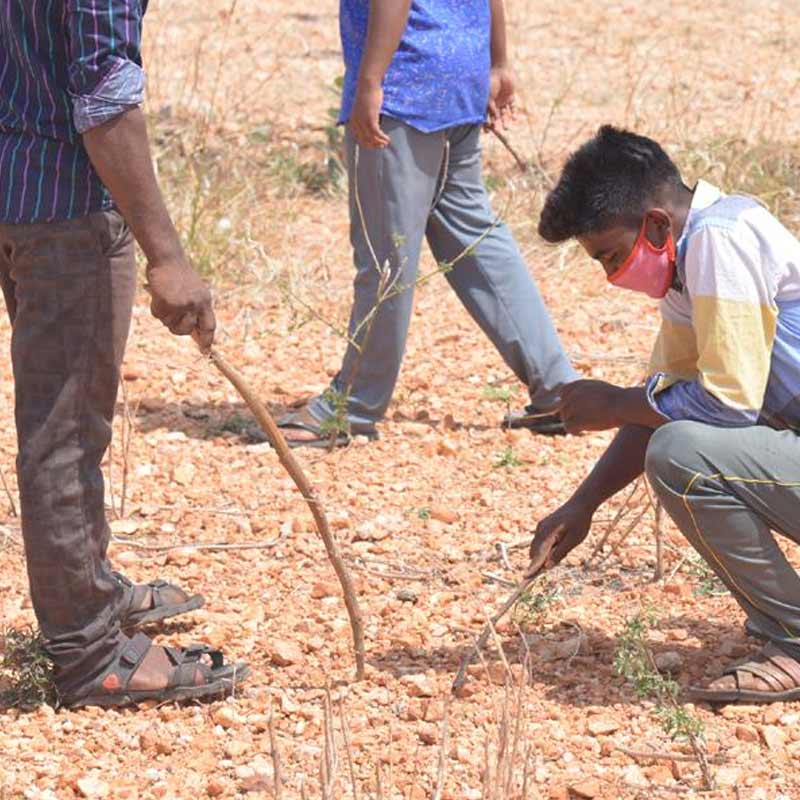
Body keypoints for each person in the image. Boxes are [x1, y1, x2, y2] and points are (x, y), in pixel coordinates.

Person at [0, 1, 248, 708]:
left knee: (63, 426)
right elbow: (105, 97)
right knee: (65, 434)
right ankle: (92, 655)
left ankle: (91, 592)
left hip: (19, 189)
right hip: (66, 206)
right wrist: (167, 256)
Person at [527, 125, 800, 704]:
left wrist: (611, 403)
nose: (611, 276)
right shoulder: (689, 257)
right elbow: (663, 402)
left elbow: (728, 404)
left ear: (654, 225)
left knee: (680, 454)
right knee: (675, 439)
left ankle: (795, 638)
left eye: (611, 255)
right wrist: (582, 505)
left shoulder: (721, 240)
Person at [278, 0, 578, 448]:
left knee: (387, 257)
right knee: (475, 240)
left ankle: (352, 406)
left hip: (404, 84)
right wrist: (498, 61)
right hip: (460, 72)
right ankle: (560, 390)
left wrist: (371, 81)